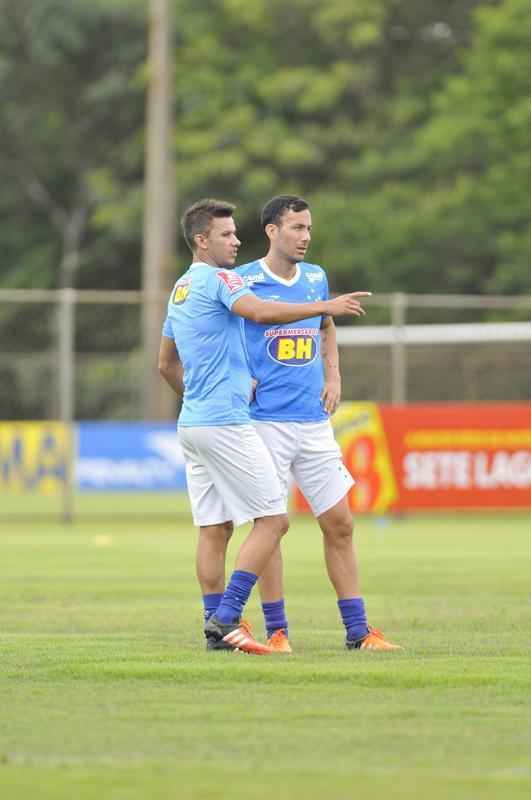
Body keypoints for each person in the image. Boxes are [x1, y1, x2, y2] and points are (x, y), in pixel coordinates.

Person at [159, 198, 370, 655]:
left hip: (195, 421)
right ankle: (228, 619)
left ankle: (217, 630)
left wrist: (198, 394)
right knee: (273, 520)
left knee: (214, 528)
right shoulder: (225, 280)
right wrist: (326, 305)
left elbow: (164, 363)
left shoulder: (180, 287)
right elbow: (260, 312)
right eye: (227, 234)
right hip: (231, 420)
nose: (236, 240)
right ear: (201, 240)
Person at [234, 195, 402, 652]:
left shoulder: (316, 278)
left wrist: (333, 374)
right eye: (297, 228)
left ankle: (358, 631)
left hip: (313, 421)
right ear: (272, 231)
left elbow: (327, 329)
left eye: (308, 228)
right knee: (272, 526)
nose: (306, 237)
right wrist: (238, 374)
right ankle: (278, 630)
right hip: (264, 421)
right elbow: (229, 330)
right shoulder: (244, 279)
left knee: (341, 523)